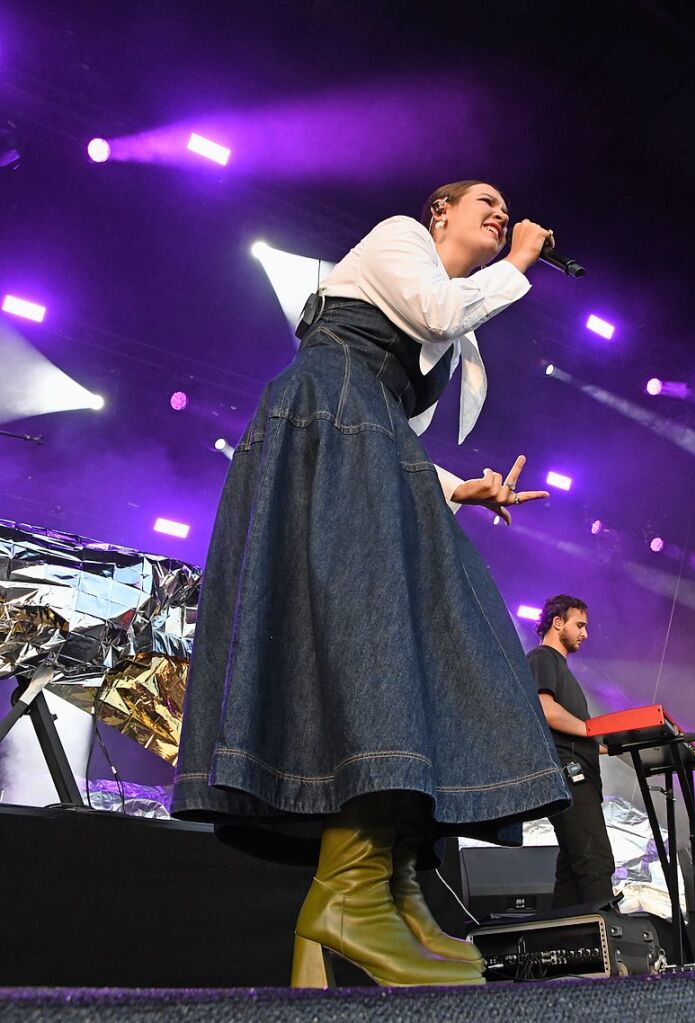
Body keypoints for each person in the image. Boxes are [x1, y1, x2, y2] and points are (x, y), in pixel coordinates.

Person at [171, 181, 571, 987]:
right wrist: (521, 261)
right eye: (484, 200)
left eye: (506, 209)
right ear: (438, 212)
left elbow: (399, 432)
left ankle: (389, 884)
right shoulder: (400, 241)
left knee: (427, 647)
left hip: (368, 446)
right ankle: (356, 891)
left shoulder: (454, 330)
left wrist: (462, 487)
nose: (500, 212)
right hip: (325, 425)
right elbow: (430, 312)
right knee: (379, 641)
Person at [526, 595, 616, 910]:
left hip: (579, 775)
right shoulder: (543, 658)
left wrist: (608, 746)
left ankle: (568, 942)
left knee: (572, 868)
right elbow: (545, 709)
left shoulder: (560, 667)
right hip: (569, 775)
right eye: (580, 625)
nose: (585, 634)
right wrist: (590, 732)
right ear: (558, 622)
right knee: (595, 860)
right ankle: (607, 942)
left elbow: (577, 733)